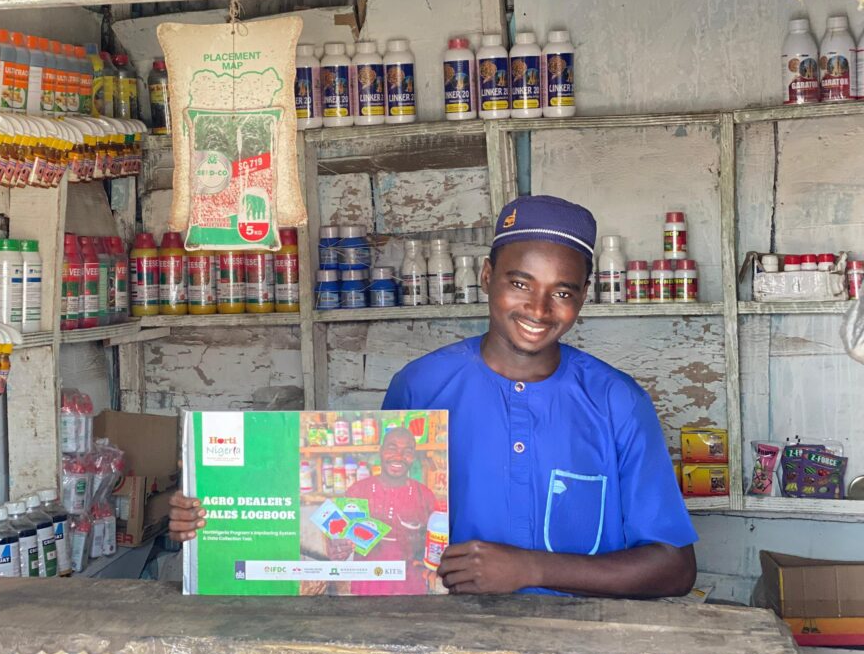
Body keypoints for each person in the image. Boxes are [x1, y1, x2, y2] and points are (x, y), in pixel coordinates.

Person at [169, 194, 697, 598]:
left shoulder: (618, 403)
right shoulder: (421, 387)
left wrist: (532, 568)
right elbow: (357, 522)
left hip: (583, 646)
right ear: (487, 277)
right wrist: (218, 516)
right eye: (519, 283)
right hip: (442, 636)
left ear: (583, 297)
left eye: (563, 292)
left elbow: (675, 567)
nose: (539, 308)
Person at [327, 427, 437, 595]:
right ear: (381, 451)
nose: (399, 457)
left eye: (407, 451)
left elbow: (436, 546)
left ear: (413, 457)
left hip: (412, 590)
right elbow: (337, 543)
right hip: (366, 589)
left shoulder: (425, 496)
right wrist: (337, 548)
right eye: (392, 449)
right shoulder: (357, 492)